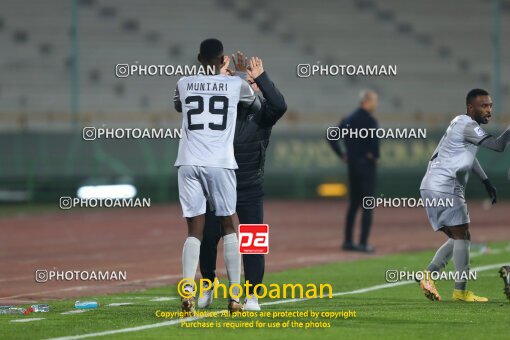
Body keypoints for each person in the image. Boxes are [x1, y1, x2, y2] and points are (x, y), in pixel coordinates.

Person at [173, 39, 261, 315]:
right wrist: (234, 74)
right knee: (228, 226)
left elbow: (179, 107)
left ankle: (188, 290)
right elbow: (257, 105)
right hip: (220, 163)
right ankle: (235, 297)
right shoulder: (235, 85)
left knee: (194, 231)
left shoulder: (183, 83)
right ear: (224, 59)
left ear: (199, 57)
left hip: (188, 162)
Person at [198, 52, 287, 312]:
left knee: (253, 242)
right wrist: (224, 72)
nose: (239, 85)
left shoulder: (263, 113)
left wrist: (262, 78)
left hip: (250, 187)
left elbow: (280, 105)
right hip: (217, 185)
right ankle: (208, 284)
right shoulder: (219, 111)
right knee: (208, 237)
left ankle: (252, 296)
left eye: (247, 82)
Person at [419, 88, 510, 302]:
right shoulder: (468, 125)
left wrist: (486, 181)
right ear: (471, 107)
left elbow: (469, 156)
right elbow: (498, 146)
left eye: (490, 106)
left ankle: (430, 277)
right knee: (462, 235)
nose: (489, 110)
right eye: (483, 106)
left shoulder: (461, 123)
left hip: (431, 185)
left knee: (460, 236)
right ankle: (458, 291)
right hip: (446, 186)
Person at [328, 90, 379, 253]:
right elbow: (373, 147)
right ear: (366, 102)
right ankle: (363, 242)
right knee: (367, 205)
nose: (375, 105)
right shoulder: (370, 121)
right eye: (374, 101)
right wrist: (373, 156)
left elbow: (331, 136)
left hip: (353, 166)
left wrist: (342, 154)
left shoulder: (349, 119)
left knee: (353, 204)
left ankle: (348, 241)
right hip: (367, 167)